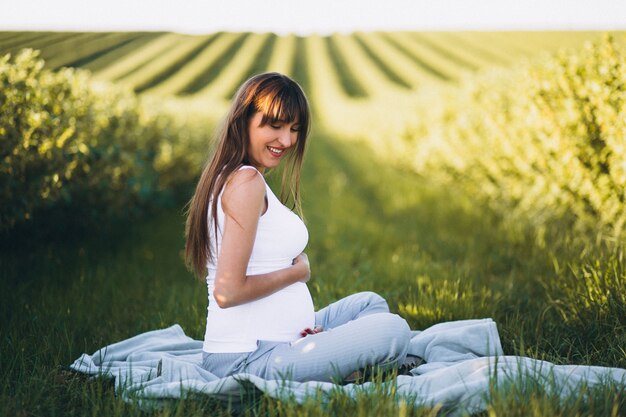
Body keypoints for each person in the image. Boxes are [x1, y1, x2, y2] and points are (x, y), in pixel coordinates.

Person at [185, 72, 411, 383]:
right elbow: (228, 292)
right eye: (275, 126)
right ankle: (341, 361)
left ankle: (325, 349)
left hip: (284, 341)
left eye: (294, 129)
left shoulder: (242, 176)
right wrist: (298, 272)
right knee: (393, 330)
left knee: (369, 303)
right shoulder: (245, 182)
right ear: (243, 119)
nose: (287, 141)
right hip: (249, 359)